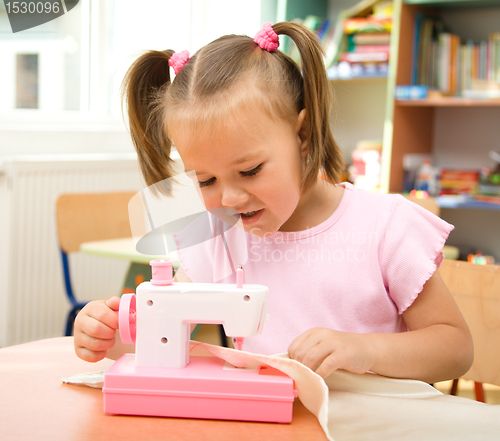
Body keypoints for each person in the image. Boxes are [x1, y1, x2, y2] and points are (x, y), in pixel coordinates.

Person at [74, 22, 473, 383]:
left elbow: (455, 349)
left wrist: (364, 349)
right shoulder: (217, 238)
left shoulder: (384, 228)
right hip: (267, 432)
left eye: (250, 171)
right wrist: (107, 334)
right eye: (206, 180)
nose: (229, 198)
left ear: (301, 135)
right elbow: (158, 337)